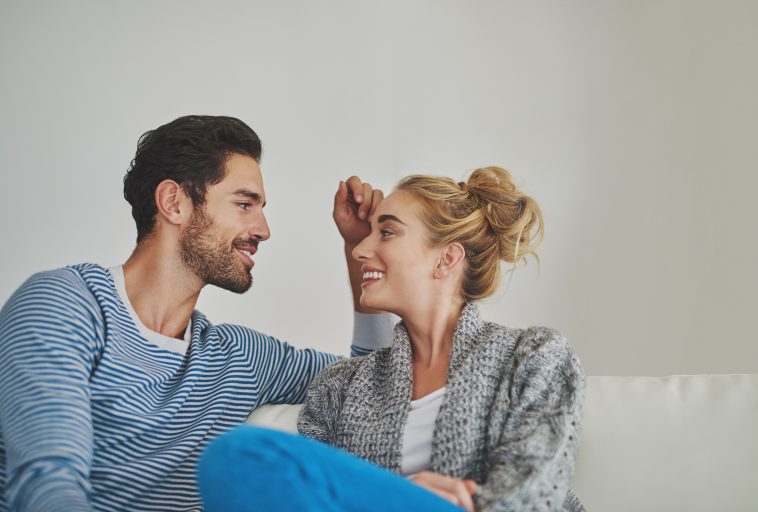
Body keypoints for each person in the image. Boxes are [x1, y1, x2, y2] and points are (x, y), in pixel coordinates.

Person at [0, 115, 392, 511]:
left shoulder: (240, 358)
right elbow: (47, 487)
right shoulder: (65, 304)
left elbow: (373, 388)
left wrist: (362, 249)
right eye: (244, 204)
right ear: (174, 203)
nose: (264, 229)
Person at [198, 166, 586, 511]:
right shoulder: (340, 386)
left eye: (386, 232)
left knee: (239, 455)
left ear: (447, 259)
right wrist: (406, 493)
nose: (363, 250)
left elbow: (534, 495)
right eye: (366, 237)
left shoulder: (535, 357)